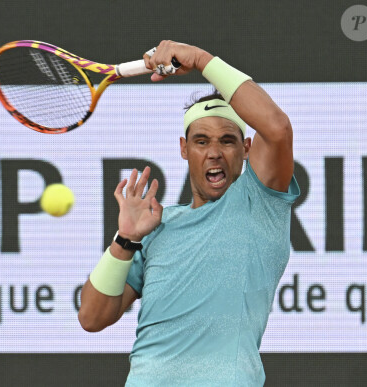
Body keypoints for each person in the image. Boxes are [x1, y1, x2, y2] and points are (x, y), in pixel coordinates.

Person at [78, 40, 300, 386]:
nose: (214, 152)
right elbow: (92, 318)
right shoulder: (156, 226)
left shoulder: (260, 201)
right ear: (184, 148)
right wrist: (125, 241)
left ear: (246, 149)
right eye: (201, 141)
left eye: (227, 140)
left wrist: (200, 59)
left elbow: (277, 127)